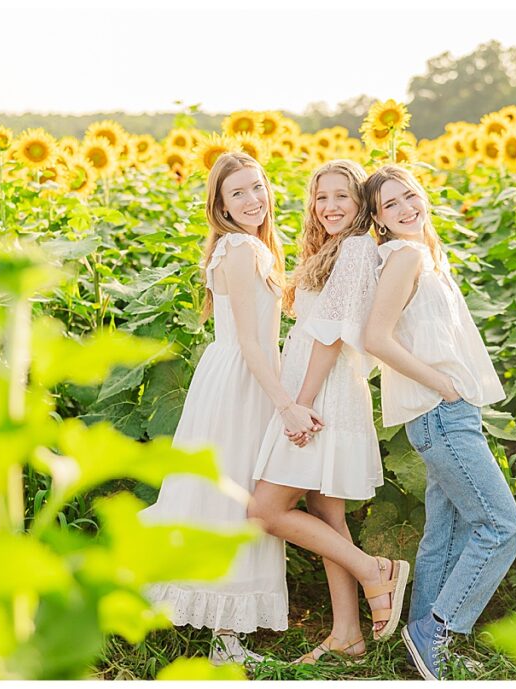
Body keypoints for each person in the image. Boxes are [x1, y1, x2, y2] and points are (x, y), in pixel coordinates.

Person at [139, 152, 322, 666]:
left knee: (228, 495)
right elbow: (248, 340)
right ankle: (222, 638)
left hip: (241, 377)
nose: (251, 200)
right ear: (219, 205)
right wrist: (285, 404)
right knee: (233, 495)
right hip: (245, 380)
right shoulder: (240, 248)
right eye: (237, 193)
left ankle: (225, 633)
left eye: (257, 187)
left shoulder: (250, 248)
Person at [362, 165, 516, 680]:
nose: (407, 208)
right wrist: (442, 384)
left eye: (409, 195)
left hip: (452, 411)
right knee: (502, 526)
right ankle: (439, 629)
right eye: (391, 205)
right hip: (440, 411)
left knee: (446, 530)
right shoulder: (405, 255)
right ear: (379, 220)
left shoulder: (425, 254)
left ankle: (420, 648)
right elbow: (377, 338)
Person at [249, 160, 397, 664]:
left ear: (360, 205)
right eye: (321, 197)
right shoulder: (332, 250)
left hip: (323, 392)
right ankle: (347, 636)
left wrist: (302, 404)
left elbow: (331, 335)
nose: (330, 207)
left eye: (342, 197)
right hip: (315, 387)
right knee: (327, 517)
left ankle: (375, 572)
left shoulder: (356, 249)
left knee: (266, 511)